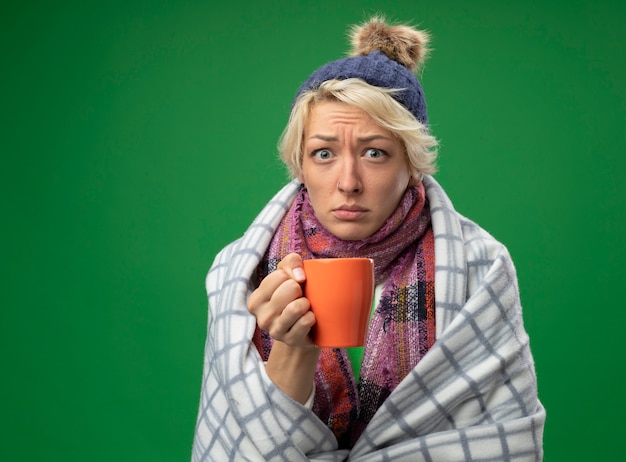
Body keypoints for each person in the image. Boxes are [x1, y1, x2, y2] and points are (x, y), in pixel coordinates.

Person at [192, 16, 545, 461]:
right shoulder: (238, 272)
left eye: (375, 153)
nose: (348, 182)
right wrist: (291, 349)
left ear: (412, 163)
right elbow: (245, 445)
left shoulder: (480, 266)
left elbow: (499, 438)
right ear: (300, 164)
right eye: (324, 153)